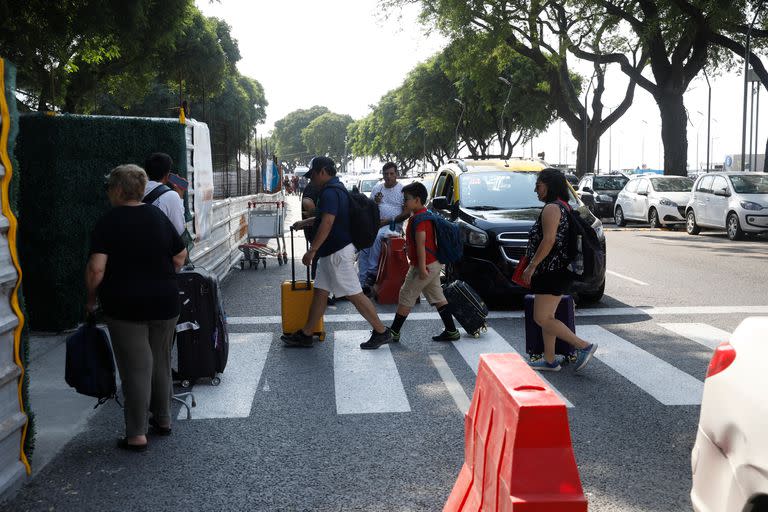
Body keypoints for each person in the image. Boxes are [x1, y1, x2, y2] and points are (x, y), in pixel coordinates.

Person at [85, 165, 187, 451]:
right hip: (166, 301)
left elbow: (96, 270)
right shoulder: (157, 216)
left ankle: (136, 433)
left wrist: (90, 300)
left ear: (117, 190)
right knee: (160, 360)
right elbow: (180, 256)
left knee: (136, 368)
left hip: (125, 305)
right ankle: (164, 419)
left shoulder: (108, 222)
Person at [283, 156, 392, 350]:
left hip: (337, 252)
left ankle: (381, 331)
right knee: (320, 292)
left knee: (355, 294)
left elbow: (328, 222)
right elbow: (326, 216)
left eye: (314, 174)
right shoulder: (337, 189)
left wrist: (312, 250)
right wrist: (305, 223)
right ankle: (307, 333)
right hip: (332, 251)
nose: (311, 179)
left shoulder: (330, 193)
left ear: (323, 171)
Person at [522, 168, 597, 372]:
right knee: (549, 317)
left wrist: (532, 266)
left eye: (538, 185)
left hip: (550, 271)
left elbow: (549, 241)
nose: (536, 190)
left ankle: (583, 346)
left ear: (549, 185)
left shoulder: (552, 209)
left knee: (542, 318)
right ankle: (549, 359)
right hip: (558, 270)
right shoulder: (562, 206)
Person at [389, 182, 460, 343]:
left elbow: (421, 245)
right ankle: (452, 331)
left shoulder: (420, 220)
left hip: (424, 266)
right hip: (432, 264)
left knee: (406, 295)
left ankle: (394, 332)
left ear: (417, 200)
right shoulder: (423, 215)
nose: (404, 202)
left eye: (406, 199)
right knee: (437, 297)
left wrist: (421, 268)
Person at [358, 162, 410, 294]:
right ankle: (362, 283)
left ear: (396, 174)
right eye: (386, 174)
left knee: (377, 237)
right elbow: (367, 208)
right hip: (376, 224)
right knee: (363, 248)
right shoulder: (378, 188)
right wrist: (374, 202)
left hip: (393, 226)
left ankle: (372, 272)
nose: (389, 176)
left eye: (392, 174)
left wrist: (388, 220)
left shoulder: (403, 190)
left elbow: (406, 213)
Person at [143, 152, 185, 236]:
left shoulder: (134, 191)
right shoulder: (171, 196)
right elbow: (180, 230)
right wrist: (179, 196)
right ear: (167, 174)